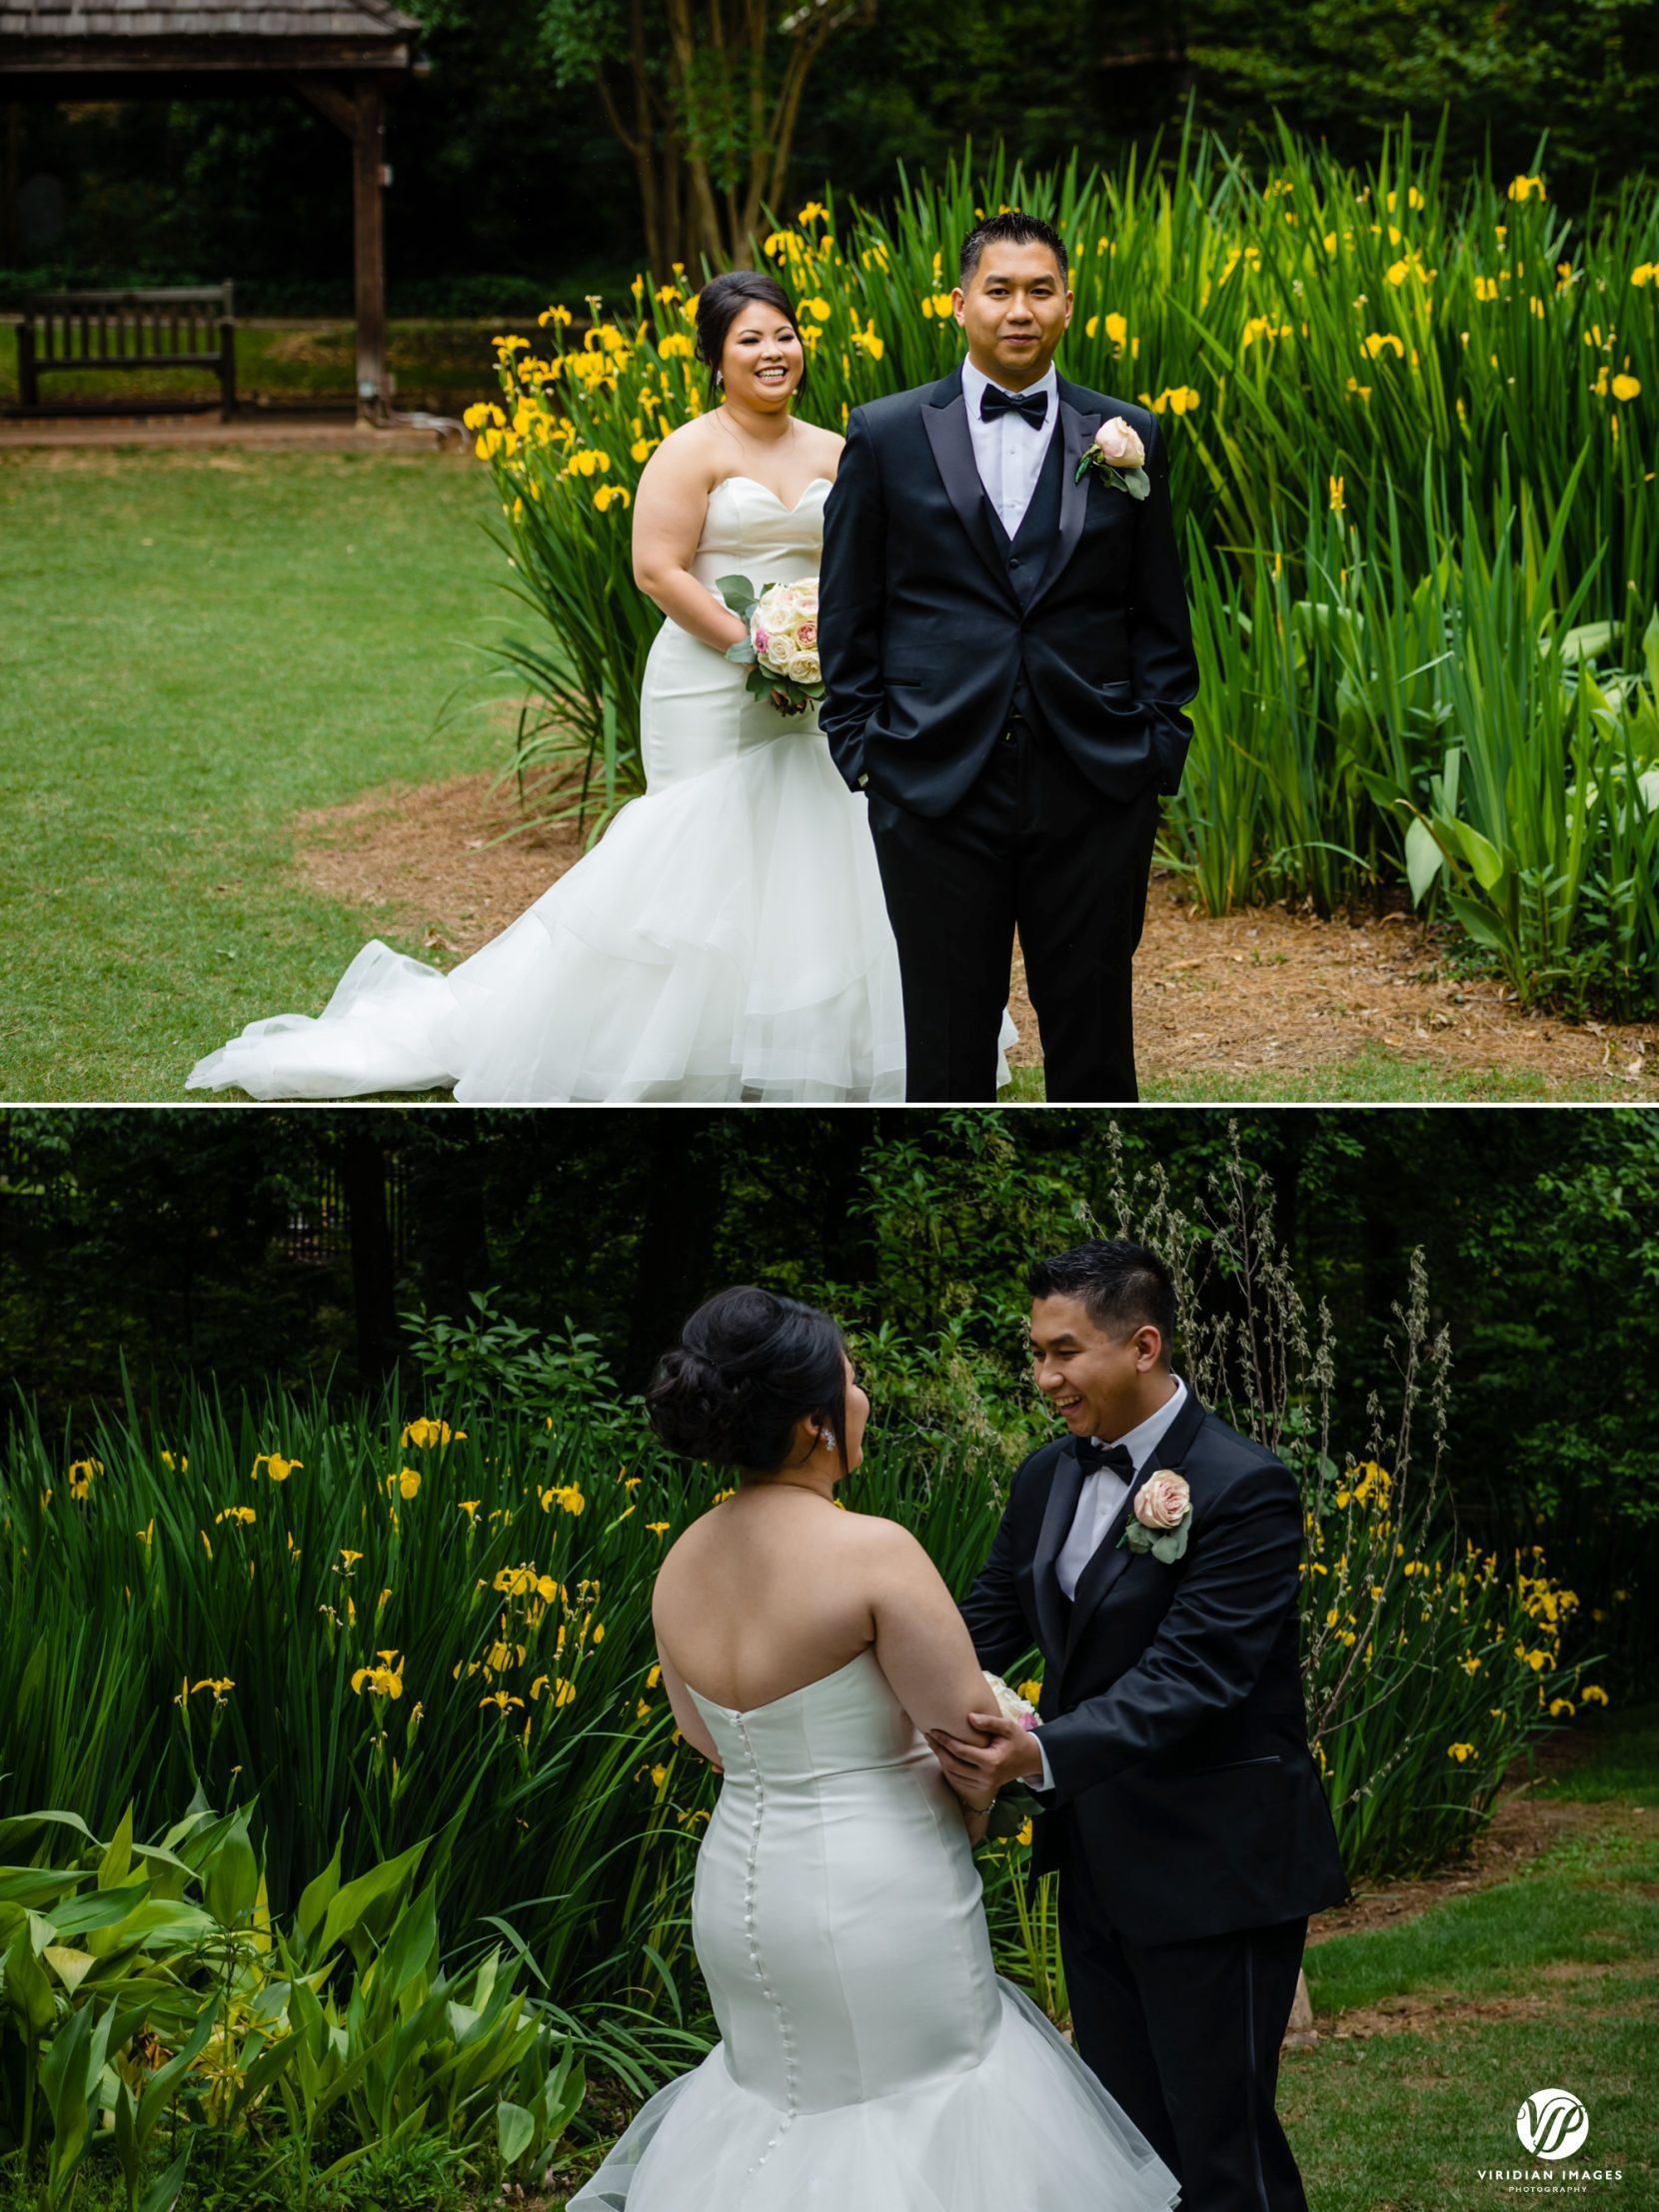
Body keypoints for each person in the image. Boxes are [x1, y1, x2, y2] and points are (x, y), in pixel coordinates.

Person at [185, 273, 906, 1103]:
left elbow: (855, 565)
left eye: (784, 335)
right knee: (697, 853)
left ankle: (800, 1047)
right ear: (715, 358)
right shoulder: (692, 449)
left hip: (814, 685)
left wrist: (820, 651)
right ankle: (656, 1043)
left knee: (815, 848)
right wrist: (755, 649)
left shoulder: (835, 451)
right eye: (750, 339)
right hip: (711, 683)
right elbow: (656, 570)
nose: (773, 353)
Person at [569, 1285, 1179, 2212]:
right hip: (877, 1895)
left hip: (740, 1891)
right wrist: (983, 1794)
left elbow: (712, 1744)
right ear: (817, 1423)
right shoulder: (873, 1554)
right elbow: (970, 1741)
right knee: (917, 2115)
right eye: (852, 1384)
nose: (864, 1401)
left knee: (773, 2103)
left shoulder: (683, 1560)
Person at [928, 1240, 1351, 2212]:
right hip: (1097, 1861)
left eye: (1064, 1352)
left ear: (1143, 1346)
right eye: (1036, 1353)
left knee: (1219, 2153)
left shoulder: (1242, 1484)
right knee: (1124, 2153)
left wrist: (1038, 1753)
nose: (1043, 1377)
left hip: (1215, 1868)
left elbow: (1194, 1673)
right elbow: (982, 1621)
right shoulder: (1045, 1478)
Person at [820, 211, 1201, 1103]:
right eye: (999, 291)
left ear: (1070, 304)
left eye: (1040, 290)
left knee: (1096, 1044)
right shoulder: (885, 433)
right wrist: (865, 749)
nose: (1019, 309)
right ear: (959, 304)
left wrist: (1157, 746)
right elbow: (850, 609)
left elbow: (1161, 607)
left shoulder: (1128, 431)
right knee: (946, 1055)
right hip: (933, 780)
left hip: (1098, 780)